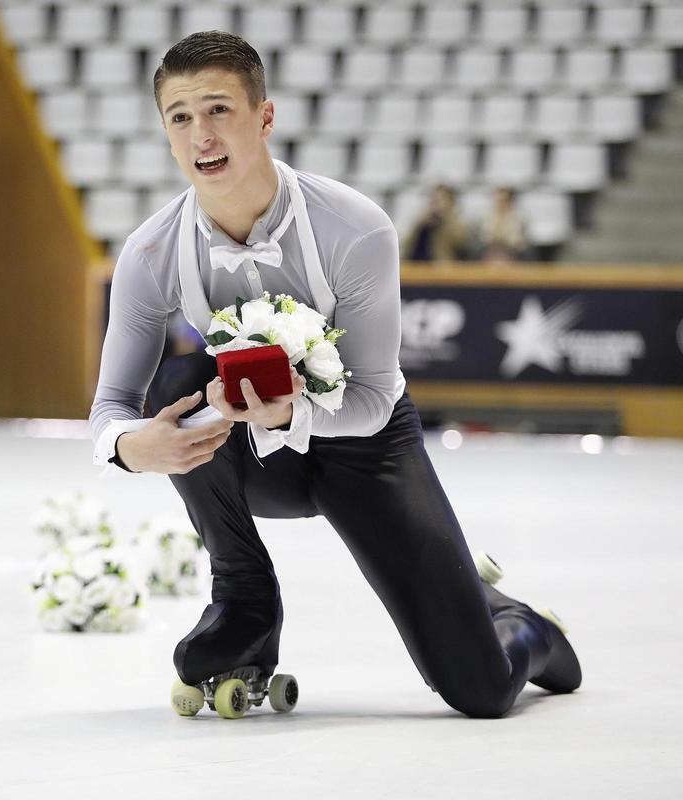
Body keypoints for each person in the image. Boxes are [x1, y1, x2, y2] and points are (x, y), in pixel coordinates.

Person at [89, 32, 580, 719]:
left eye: (219, 109)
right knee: (175, 387)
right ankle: (243, 598)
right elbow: (111, 403)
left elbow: (377, 397)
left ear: (265, 117)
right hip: (258, 456)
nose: (200, 134)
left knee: (481, 690)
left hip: (367, 447)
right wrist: (126, 446)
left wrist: (294, 414)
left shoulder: (353, 228)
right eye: (180, 116)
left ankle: (526, 625)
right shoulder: (149, 252)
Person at [402, 183, 470, 262]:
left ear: (450, 202)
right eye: (433, 199)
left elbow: (461, 243)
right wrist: (419, 225)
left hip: (440, 271)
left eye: (439, 200)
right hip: (417, 268)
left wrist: (444, 218)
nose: (434, 204)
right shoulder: (422, 222)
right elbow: (406, 246)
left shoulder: (456, 223)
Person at [479, 186, 528, 263]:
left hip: (511, 254)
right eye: (498, 200)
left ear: (510, 202)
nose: (500, 204)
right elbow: (485, 238)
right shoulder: (488, 217)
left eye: (503, 201)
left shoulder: (518, 218)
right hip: (491, 252)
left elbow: (518, 242)